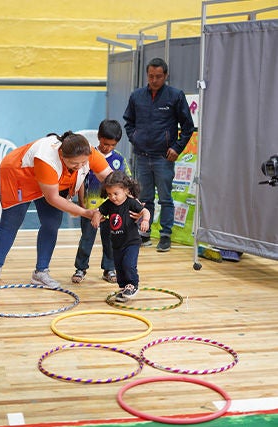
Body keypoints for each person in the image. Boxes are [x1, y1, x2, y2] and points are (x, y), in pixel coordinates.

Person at [0, 131, 112, 287]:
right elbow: (53, 198)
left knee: (51, 223)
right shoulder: (47, 159)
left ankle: (41, 272)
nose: (79, 167)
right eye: (74, 164)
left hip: (51, 180)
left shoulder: (87, 152)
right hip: (19, 175)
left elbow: (111, 177)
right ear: (62, 156)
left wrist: (130, 197)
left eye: (83, 163)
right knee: (11, 222)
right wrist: (85, 212)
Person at [123, 57, 194, 252]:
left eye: (159, 76)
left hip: (164, 157)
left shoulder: (175, 96)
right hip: (142, 155)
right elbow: (128, 122)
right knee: (144, 198)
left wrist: (177, 148)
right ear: (147, 75)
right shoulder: (136, 96)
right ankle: (144, 234)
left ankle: (165, 235)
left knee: (165, 198)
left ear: (166, 75)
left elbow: (188, 127)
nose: (154, 80)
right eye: (151, 76)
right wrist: (134, 138)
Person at [71, 119, 130, 284]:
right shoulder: (87, 157)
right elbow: (81, 180)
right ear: (98, 137)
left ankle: (109, 269)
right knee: (86, 239)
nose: (107, 148)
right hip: (91, 208)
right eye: (105, 143)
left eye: (112, 145)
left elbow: (125, 183)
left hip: (112, 209)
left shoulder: (119, 160)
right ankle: (80, 268)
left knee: (111, 240)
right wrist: (81, 203)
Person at [91, 170, 150, 302]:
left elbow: (145, 210)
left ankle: (133, 285)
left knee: (128, 265)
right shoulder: (109, 204)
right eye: (109, 194)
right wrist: (96, 216)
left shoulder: (131, 203)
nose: (113, 197)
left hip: (131, 242)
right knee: (119, 267)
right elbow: (98, 211)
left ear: (126, 190)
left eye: (116, 194)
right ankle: (124, 288)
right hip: (116, 244)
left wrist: (145, 220)